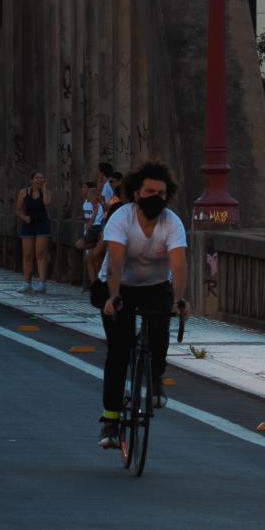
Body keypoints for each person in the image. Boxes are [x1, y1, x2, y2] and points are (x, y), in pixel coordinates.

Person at [95, 162, 190, 450]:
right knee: (119, 351)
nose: (155, 197)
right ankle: (111, 420)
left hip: (154, 286)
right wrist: (112, 298)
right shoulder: (121, 218)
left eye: (161, 193)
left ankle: (156, 375)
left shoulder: (171, 222)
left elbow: (179, 264)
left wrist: (178, 301)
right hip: (118, 285)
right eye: (149, 191)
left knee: (161, 327)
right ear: (136, 193)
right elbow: (115, 262)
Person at [16, 171, 54, 293]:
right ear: (31, 180)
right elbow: (18, 209)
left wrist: (44, 188)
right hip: (28, 224)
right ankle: (27, 283)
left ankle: (42, 283)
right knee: (27, 255)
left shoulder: (46, 192)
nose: (39, 180)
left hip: (42, 224)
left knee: (40, 254)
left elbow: (46, 203)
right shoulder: (24, 192)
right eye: (37, 178)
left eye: (42, 178)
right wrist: (24, 217)